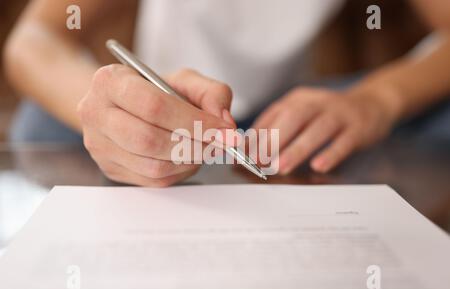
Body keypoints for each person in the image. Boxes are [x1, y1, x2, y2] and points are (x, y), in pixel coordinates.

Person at [3, 0, 450, 187]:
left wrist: (377, 99)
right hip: (165, 105)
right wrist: (106, 108)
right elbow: (32, 40)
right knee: (41, 124)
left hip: (287, 116)